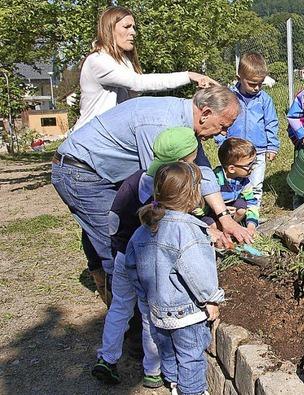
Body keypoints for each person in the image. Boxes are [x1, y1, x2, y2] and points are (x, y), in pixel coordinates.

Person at [51, 85, 250, 304]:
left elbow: (201, 169)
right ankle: (130, 319)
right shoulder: (161, 125)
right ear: (205, 113)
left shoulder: (185, 126)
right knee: (118, 243)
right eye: (223, 126)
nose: (222, 134)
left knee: (112, 226)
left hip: (104, 171)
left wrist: (223, 217)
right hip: (82, 172)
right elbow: (162, 192)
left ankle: (116, 295)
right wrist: (204, 227)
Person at [92, 127, 201, 387]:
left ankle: (107, 358)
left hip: (123, 255)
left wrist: (118, 248)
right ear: (184, 161)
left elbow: (114, 219)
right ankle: (152, 370)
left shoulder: (133, 181)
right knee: (150, 315)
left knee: (120, 307)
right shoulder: (173, 187)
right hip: (154, 264)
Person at [127, 162, 224, 395]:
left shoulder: (145, 227)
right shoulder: (188, 229)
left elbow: (132, 264)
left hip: (157, 310)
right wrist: (211, 299)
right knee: (191, 356)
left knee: (167, 350)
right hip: (186, 313)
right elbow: (197, 271)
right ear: (193, 194)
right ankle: (192, 392)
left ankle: (173, 383)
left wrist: (145, 297)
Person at [75, 6, 215, 130]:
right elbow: (138, 83)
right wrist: (189, 76)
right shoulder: (98, 61)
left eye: (134, 27)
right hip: (88, 142)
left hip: (108, 138)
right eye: (126, 27)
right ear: (109, 29)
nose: (133, 32)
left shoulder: (124, 61)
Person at [216, 52, 279, 207]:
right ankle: (235, 210)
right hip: (234, 151)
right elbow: (221, 121)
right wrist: (221, 142)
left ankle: (253, 215)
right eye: (252, 84)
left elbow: (271, 123)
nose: (256, 88)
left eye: (260, 84)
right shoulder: (229, 97)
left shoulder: (264, 100)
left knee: (255, 185)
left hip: (258, 150)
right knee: (231, 183)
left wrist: (272, 146)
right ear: (239, 78)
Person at [214, 138, 260, 234]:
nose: (253, 168)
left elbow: (251, 202)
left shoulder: (244, 181)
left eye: (253, 163)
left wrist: (251, 225)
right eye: (249, 165)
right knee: (211, 225)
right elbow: (205, 202)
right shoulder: (215, 179)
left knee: (241, 209)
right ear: (231, 169)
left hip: (232, 208)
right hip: (214, 209)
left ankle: (232, 228)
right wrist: (222, 210)